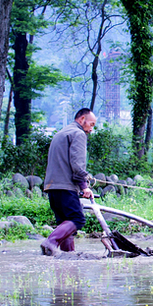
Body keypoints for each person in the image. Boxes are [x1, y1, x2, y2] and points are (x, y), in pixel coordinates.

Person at [40, 108, 97, 256]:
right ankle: (50, 242)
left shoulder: (61, 133)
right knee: (77, 220)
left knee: (65, 223)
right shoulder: (78, 134)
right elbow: (77, 165)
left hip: (51, 187)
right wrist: (85, 187)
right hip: (65, 186)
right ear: (81, 119)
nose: (91, 129)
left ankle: (69, 256)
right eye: (91, 124)